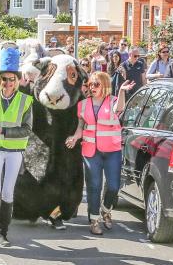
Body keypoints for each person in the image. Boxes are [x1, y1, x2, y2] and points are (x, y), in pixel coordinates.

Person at [66, 72, 136, 235]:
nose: (92, 87)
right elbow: (80, 128)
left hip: (112, 151)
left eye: (96, 84)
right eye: (91, 84)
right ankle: (94, 220)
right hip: (91, 151)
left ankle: (106, 209)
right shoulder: (83, 105)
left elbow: (119, 108)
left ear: (104, 85)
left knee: (113, 186)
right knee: (94, 186)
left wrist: (121, 92)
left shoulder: (112, 101)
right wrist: (74, 138)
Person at [0, 47, 32, 247]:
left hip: (14, 152)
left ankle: (3, 233)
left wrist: (2, 131)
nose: (8, 83)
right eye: (5, 79)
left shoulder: (26, 101)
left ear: (17, 80)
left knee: (7, 193)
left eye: (12, 79)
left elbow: (27, 130)